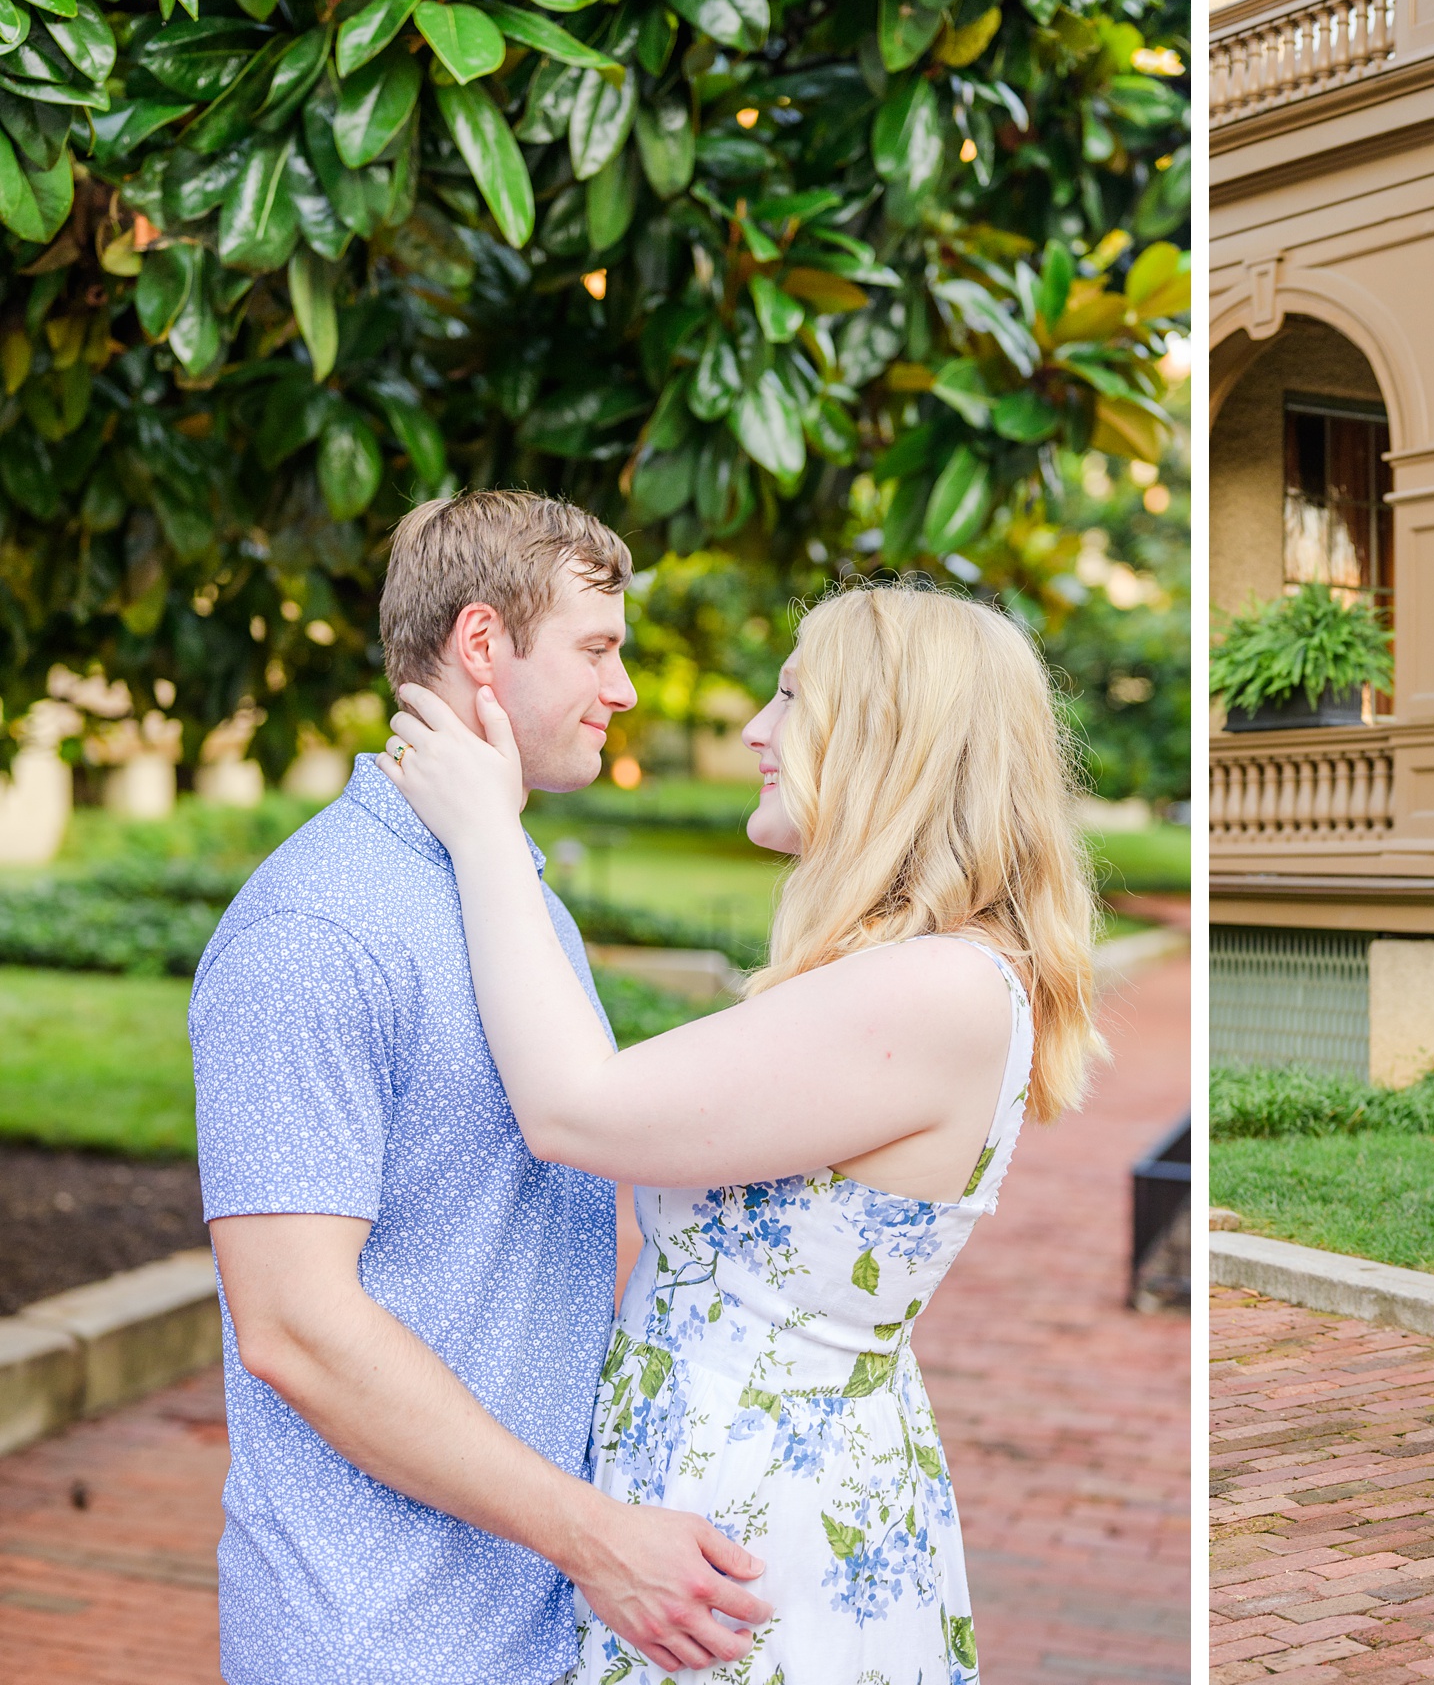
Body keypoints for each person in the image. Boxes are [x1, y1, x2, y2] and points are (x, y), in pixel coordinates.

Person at [379, 578, 1103, 1685]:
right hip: (726, 1503)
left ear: (886, 739)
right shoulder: (910, 974)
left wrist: (485, 829)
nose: (758, 731)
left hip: (749, 1535)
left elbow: (576, 1107)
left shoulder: (936, 988)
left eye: (790, 696)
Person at [195, 490, 772, 1685]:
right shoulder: (315, 930)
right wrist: (596, 1536)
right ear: (480, 647)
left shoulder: (512, 892)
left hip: (532, 1621)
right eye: (598, 651)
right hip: (377, 1638)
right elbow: (294, 1325)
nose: (622, 692)